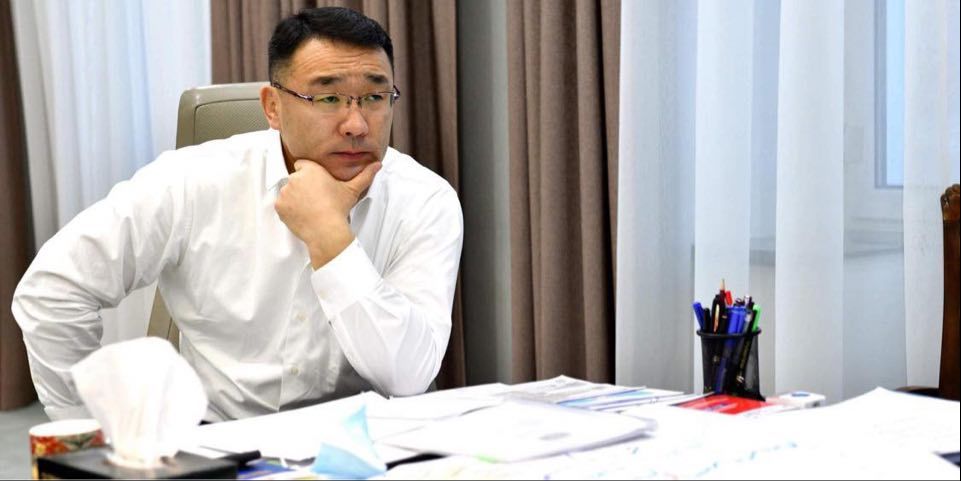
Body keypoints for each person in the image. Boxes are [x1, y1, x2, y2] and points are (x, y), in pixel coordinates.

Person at [12, 7, 463, 423]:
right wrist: (90, 433)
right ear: (273, 107)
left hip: (366, 449)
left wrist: (330, 237)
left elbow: (408, 376)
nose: (357, 124)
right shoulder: (192, 181)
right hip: (219, 444)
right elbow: (52, 290)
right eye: (328, 99)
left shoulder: (424, 200)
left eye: (375, 96)